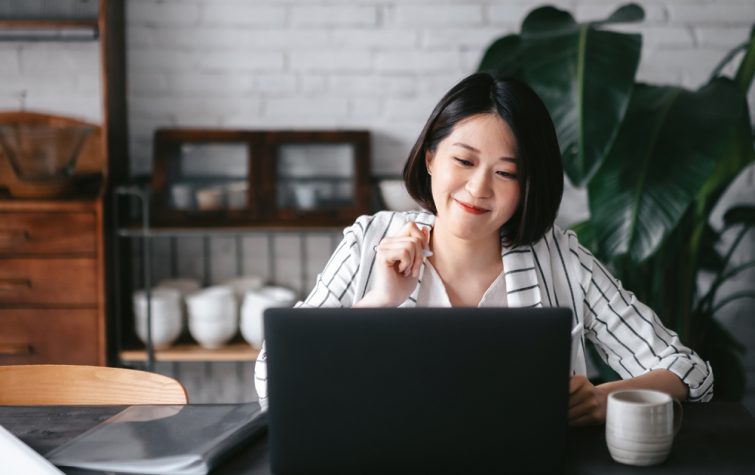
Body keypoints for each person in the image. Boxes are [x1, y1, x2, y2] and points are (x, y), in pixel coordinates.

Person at [254, 72, 713, 424]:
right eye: (464, 160)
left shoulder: (560, 257)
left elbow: (689, 371)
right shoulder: (369, 242)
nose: (478, 189)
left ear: (527, 186)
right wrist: (379, 302)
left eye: (506, 172)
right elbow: (275, 380)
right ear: (431, 158)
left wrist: (601, 397)